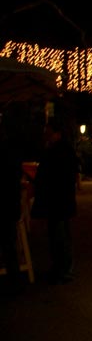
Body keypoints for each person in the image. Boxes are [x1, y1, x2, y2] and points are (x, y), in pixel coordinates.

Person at [31, 119, 80, 284]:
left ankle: (63, 269)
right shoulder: (63, 150)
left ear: (57, 134)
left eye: (48, 132)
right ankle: (63, 268)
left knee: (59, 236)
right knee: (60, 235)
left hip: (57, 200)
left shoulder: (57, 151)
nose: (46, 135)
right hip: (61, 201)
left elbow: (50, 175)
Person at [0, 119, 25, 296]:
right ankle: (14, 281)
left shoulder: (6, 153)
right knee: (9, 244)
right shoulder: (12, 152)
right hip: (10, 204)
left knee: (8, 244)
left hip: (5, 204)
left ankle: (14, 282)